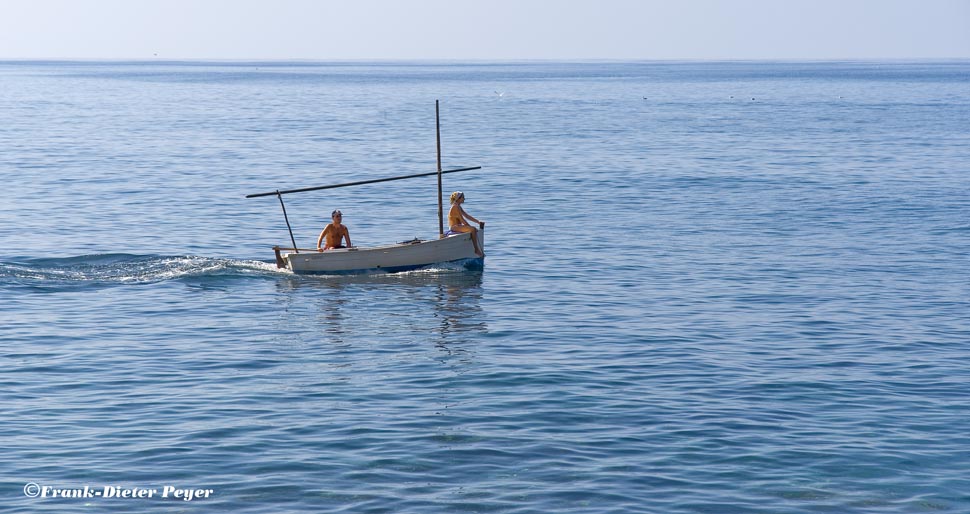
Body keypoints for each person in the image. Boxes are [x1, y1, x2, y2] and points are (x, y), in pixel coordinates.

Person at [447, 191, 484, 257]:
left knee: (473, 229)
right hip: (454, 227)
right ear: (458, 198)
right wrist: (470, 227)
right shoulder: (455, 207)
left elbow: (467, 216)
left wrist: (478, 222)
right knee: (473, 229)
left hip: (459, 226)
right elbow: (462, 219)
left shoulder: (458, 206)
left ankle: (476, 248)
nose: (464, 199)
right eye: (463, 197)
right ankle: (476, 249)